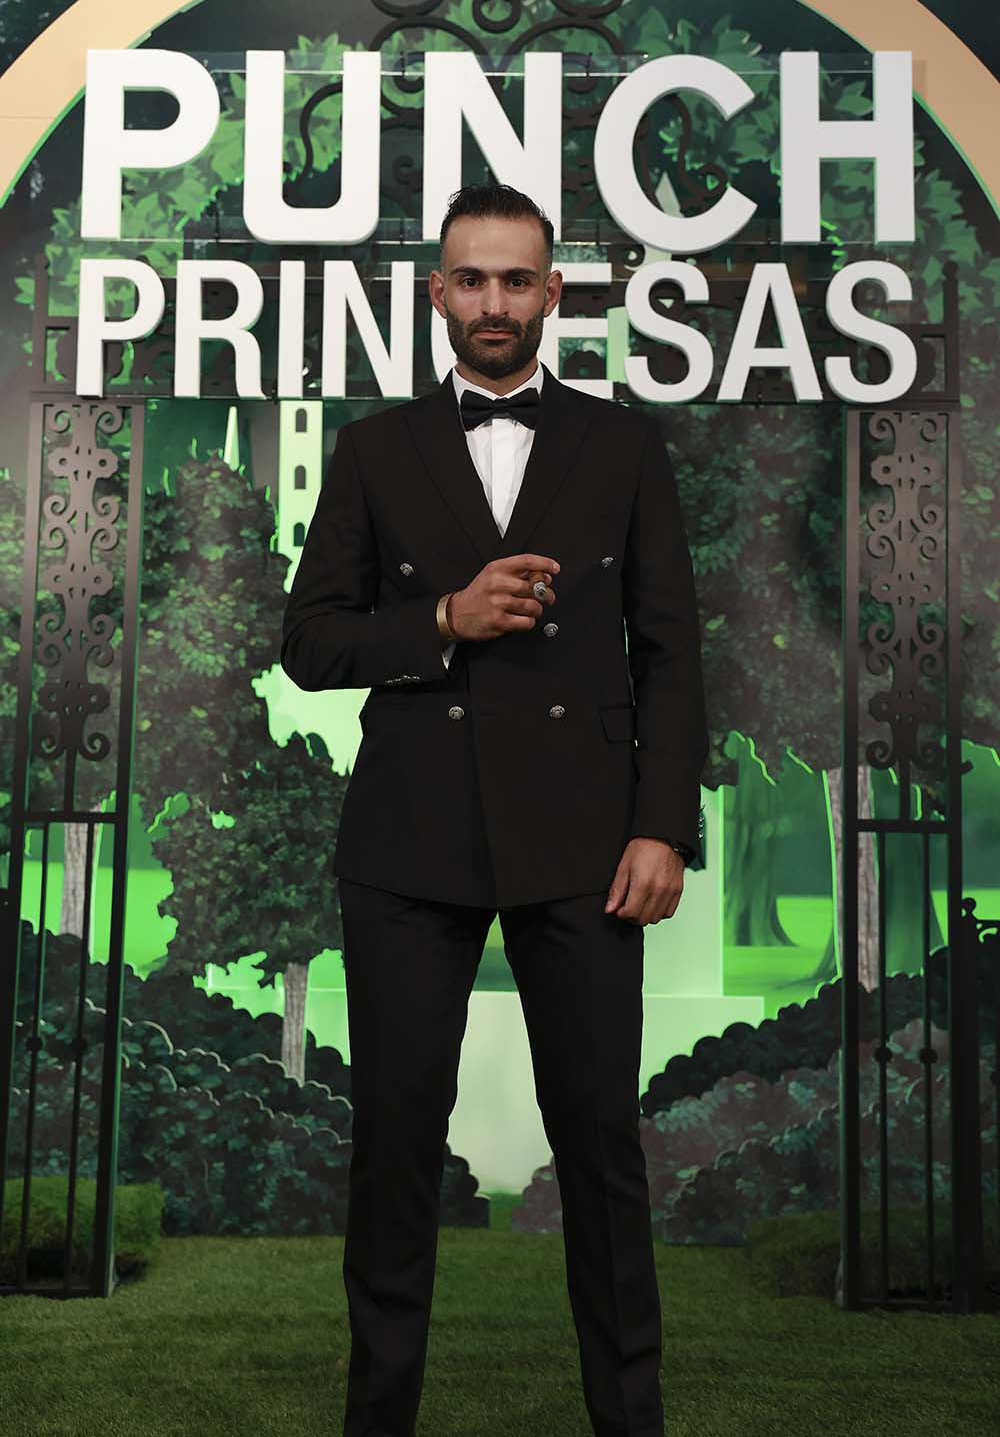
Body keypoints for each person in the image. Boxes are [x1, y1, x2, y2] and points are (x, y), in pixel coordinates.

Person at [280, 182, 709, 1437]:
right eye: (470, 278)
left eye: (517, 279)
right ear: (436, 293)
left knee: (602, 1147)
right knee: (396, 1146)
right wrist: (441, 619)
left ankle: (629, 1422)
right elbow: (309, 643)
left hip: (588, 841)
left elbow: (671, 654)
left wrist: (661, 825)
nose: (493, 301)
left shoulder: (623, 447)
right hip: (409, 841)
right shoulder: (375, 448)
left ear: (552, 294)